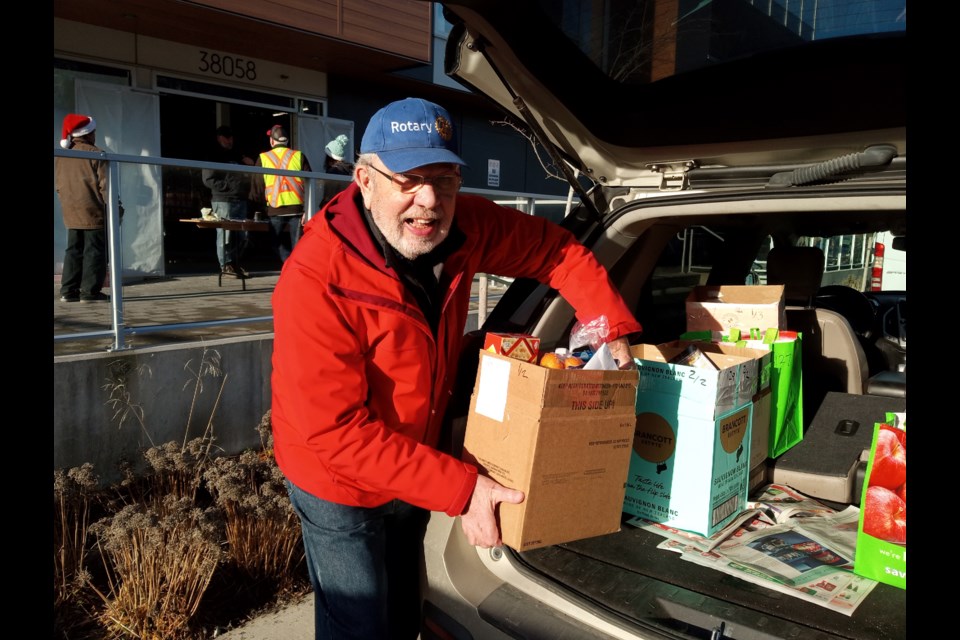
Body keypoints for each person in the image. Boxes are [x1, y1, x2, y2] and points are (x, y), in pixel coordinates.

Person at [270, 97, 641, 639]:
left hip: (415, 454)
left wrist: (610, 326)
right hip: (336, 481)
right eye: (409, 180)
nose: (429, 202)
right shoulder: (316, 280)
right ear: (364, 180)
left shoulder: (464, 226)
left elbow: (555, 253)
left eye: (445, 180)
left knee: (403, 605)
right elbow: (336, 433)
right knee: (357, 624)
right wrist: (464, 489)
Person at [55, 113, 112, 303]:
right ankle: (90, 293)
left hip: (70, 210)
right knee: (94, 252)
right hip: (93, 210)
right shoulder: (96, 153)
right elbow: (106, 186)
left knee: (73, 250)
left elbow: (58, 184)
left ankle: (68, 292)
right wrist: (114, 207)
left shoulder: (63, 155)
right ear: (89, 133)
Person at [252, 125, 312, 263]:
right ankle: (294, 268)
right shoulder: (299, 156)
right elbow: (311, 183)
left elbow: (257, 186)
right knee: (299, 247)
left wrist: (258, 208)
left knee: (276, 244)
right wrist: (307, 210)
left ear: (272, 141)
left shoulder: (263, 158)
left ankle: (288, 265)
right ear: (287, 141)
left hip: (275, 209)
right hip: (297, 209)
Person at [202, 125, 254, 278]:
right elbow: (208, 179)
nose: (229, 140)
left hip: (240, 199)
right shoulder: (212, 155)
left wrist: (250, 167)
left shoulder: (237, 154)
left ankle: (236, 264)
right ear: (219, 138)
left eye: (231, 137)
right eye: (226, 137)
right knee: (225, 234)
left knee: (242, 234)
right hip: (223, 200)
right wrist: (227, 187)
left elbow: (247, 174)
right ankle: (226, 265)